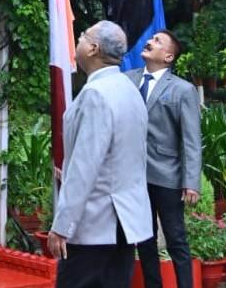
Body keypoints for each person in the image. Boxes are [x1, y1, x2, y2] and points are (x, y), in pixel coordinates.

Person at [47, 20, 151, 288]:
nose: (78, 40)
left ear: (93, 49)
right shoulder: (129, 89)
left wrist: (62, 225)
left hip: (95, 223)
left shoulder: (95, 94)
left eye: (82, 36)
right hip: (124, 222)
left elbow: (84, 168)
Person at [127, 29, 202, 288]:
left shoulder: (183, 90)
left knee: (176, 240)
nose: (149, 41)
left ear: (169, 56)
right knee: (144, 240)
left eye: (157, 41)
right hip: (134, 176)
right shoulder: (127, 80)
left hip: (167, 176)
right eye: (150, 39)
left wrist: (191, 181)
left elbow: (191, 139)